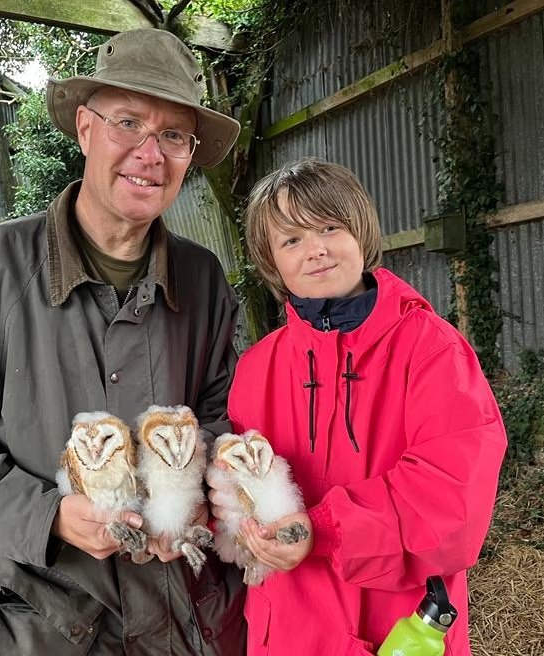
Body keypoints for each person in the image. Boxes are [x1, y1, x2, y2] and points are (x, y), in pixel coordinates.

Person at [0, 28, 246, 655]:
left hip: (176, 620)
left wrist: (191, 500)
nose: (149, 153)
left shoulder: (203, 278)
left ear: (190, 155)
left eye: (173, 136)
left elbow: (223, 412)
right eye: (128, 121)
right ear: (84, 128)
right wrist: (44, 515)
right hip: (29, 622)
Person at [207, 158, 507, 655]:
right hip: (288, 626)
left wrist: (321, 530)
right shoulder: (258, 366)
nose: (316, 250)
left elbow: (453, 499)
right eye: (291, 240)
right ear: (271, 262)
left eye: (329, 227)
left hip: (399, 622)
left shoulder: (431, 349)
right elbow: (236, 486)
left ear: (360, 232)